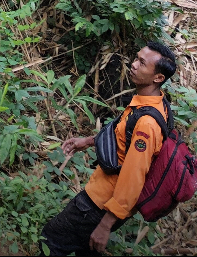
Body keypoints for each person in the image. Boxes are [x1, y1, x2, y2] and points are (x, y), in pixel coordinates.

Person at [39, 41, 178, 256]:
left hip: (98, 204)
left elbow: (134, 176)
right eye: (136, 58)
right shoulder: (153, 103)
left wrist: (105, 224)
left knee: (50, 241)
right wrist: (88, 141)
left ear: (158, 78)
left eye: (142, 63)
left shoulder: (147, 124)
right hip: (104, 204)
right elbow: (121, 136)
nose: (133, 65)